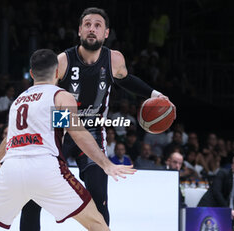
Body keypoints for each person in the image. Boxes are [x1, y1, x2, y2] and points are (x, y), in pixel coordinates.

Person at [20, 7, 174, 230]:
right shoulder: (63, 60)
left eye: (97, 25)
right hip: (60, 130)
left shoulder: (114, 59)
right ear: (80, 31)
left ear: (106, 33)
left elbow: (127, 80)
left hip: (92, 130)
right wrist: (67, 126)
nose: (92, 29)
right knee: (34, 195)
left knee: (99, 195)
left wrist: (155, 94)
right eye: (88, 24)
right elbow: (44, 97)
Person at [0, 49, 135, 231]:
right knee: (97, 224)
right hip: (45, 167)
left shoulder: (18, 101)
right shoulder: (60, 96)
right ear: (57, 73)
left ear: (32, 73)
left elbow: (8, 138)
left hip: (11, 170)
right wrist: (105, 163)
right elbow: (76, 133)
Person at [197, 155, 234, 231]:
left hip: (233, 208)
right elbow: (217, 193)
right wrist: (228, 210)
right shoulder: (223, 173)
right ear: (232, 166)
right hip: (217, 205)